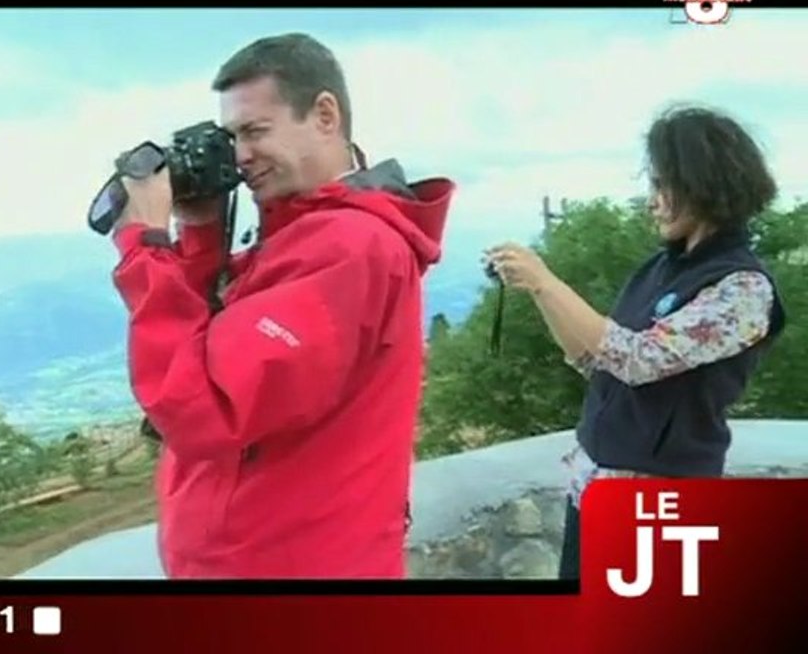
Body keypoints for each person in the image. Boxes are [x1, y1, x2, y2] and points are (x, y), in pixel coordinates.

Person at [107, 33, 455, 578]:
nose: (241, 156)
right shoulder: (298, 242)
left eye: (254, 131)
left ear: (324, 115)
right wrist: (198, 234)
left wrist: (145, 250)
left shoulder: (347, 248)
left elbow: (205, 411)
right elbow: (210, 344)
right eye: (230, 138)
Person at [485, 104, 786, 581]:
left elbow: (637, 359)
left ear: (701, 184)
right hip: (599, 490)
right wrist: (535, 289)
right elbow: (594, 358)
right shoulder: (660, 268)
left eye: (661, 184)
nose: (652, 201)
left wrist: (546, 282)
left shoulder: (743, 289)